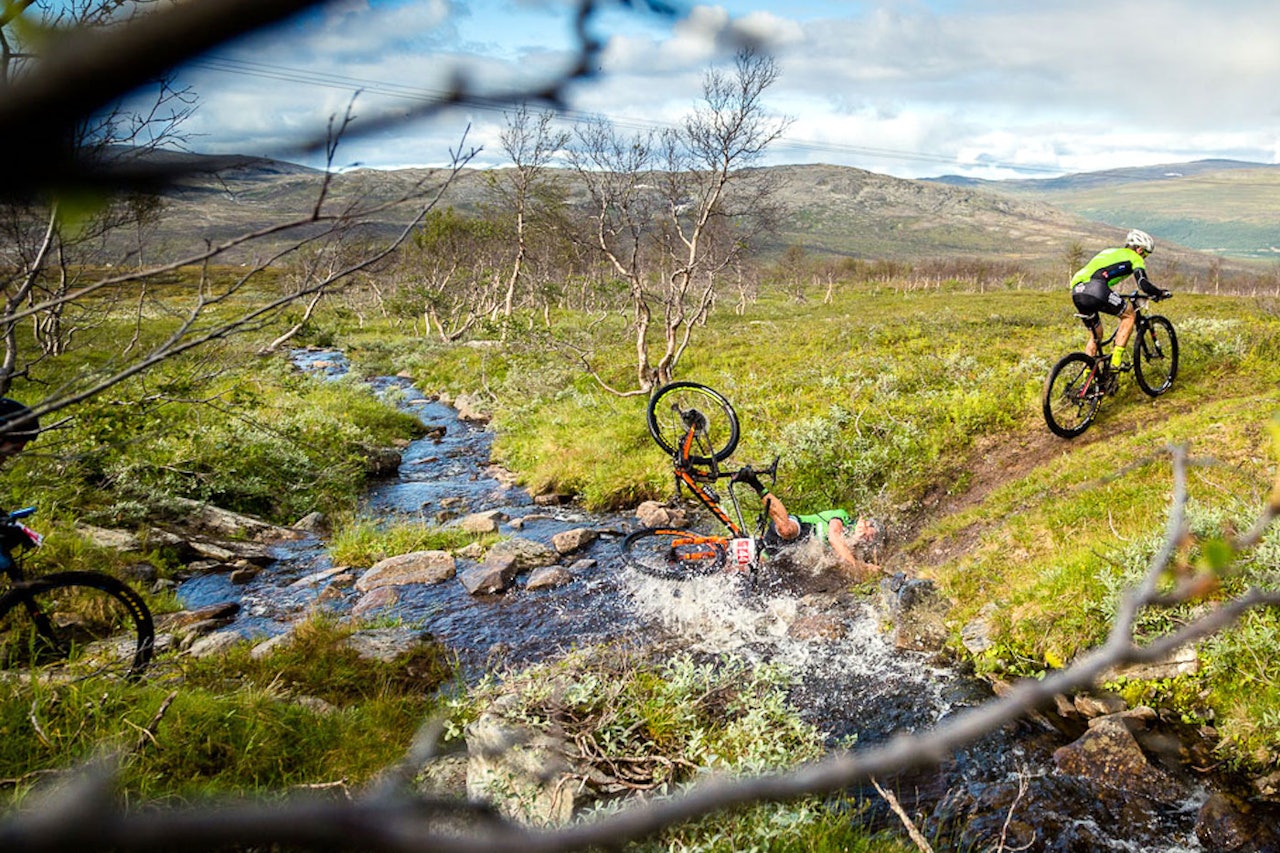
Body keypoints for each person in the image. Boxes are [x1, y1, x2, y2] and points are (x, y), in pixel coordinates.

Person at [733, 468, 882, 582]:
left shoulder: (852, 546)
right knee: (786, 530)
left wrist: (868, 568)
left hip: (782, 552)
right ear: (865, 522)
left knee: (740, 567)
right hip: (798, 528)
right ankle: (754, 482)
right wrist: (857, 566)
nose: (868, 539)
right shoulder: (843, 516)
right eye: (871, 534)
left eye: (871, 540)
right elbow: (834, 539)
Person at [1070, 229, 1171, 373]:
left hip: (1077, 291)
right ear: (1139, 249)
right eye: (1146, 254)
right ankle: (1115, 363)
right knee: (1129, 315)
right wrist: (1159, 293)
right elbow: (1143, 283)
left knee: (1096, 336)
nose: (1145, 257)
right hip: (1096, 288)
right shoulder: (1135, 257)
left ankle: (1087, 379)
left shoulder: (1109, 252)